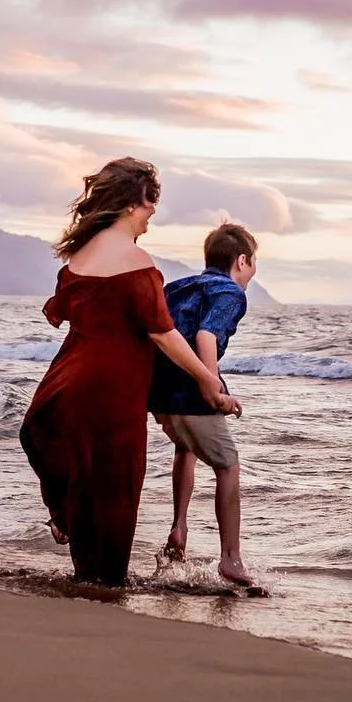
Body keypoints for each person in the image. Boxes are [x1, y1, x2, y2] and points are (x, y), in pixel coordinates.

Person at [20, 157, 239, 587]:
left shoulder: (80, 257)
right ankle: (107, 586)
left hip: (65, 382)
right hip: (112, 390)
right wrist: (206, 380)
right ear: (129, 204)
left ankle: (86, 574)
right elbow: (163, 334)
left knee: (86, 481)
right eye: (148, 206)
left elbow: (72, 314)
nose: (151, 215)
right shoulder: (136, 262)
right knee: (115, 487)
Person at [148, 222, 259, 587]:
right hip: (189, 391)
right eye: (253, 262)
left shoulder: (180, 286)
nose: (253, 271)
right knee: (228, 465)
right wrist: (212, 388)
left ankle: (178, 531)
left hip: (158, 393)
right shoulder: (230, 292)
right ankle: (231, 559)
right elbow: (206, 335)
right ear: (241, 260)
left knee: (186, 448)